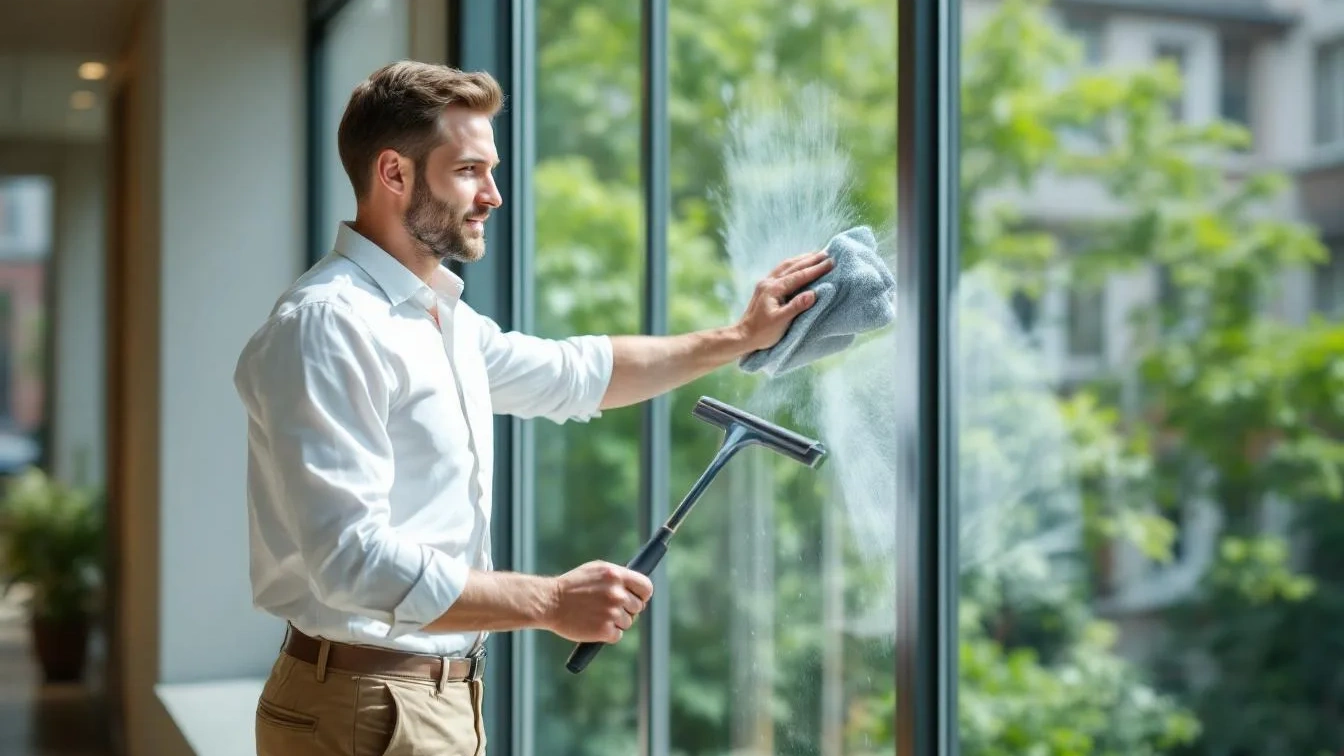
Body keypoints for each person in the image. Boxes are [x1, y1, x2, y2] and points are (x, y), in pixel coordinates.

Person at [233, 60, 833, 756]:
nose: (493, 194)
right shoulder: (330, 324)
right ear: (394, 174)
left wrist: (737, 339)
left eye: (491, 170)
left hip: (433, 699)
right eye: (468, 171)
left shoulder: (440, 320)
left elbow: (577, 374)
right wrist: (549, 602)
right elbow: (350, 560)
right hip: (367, 707)